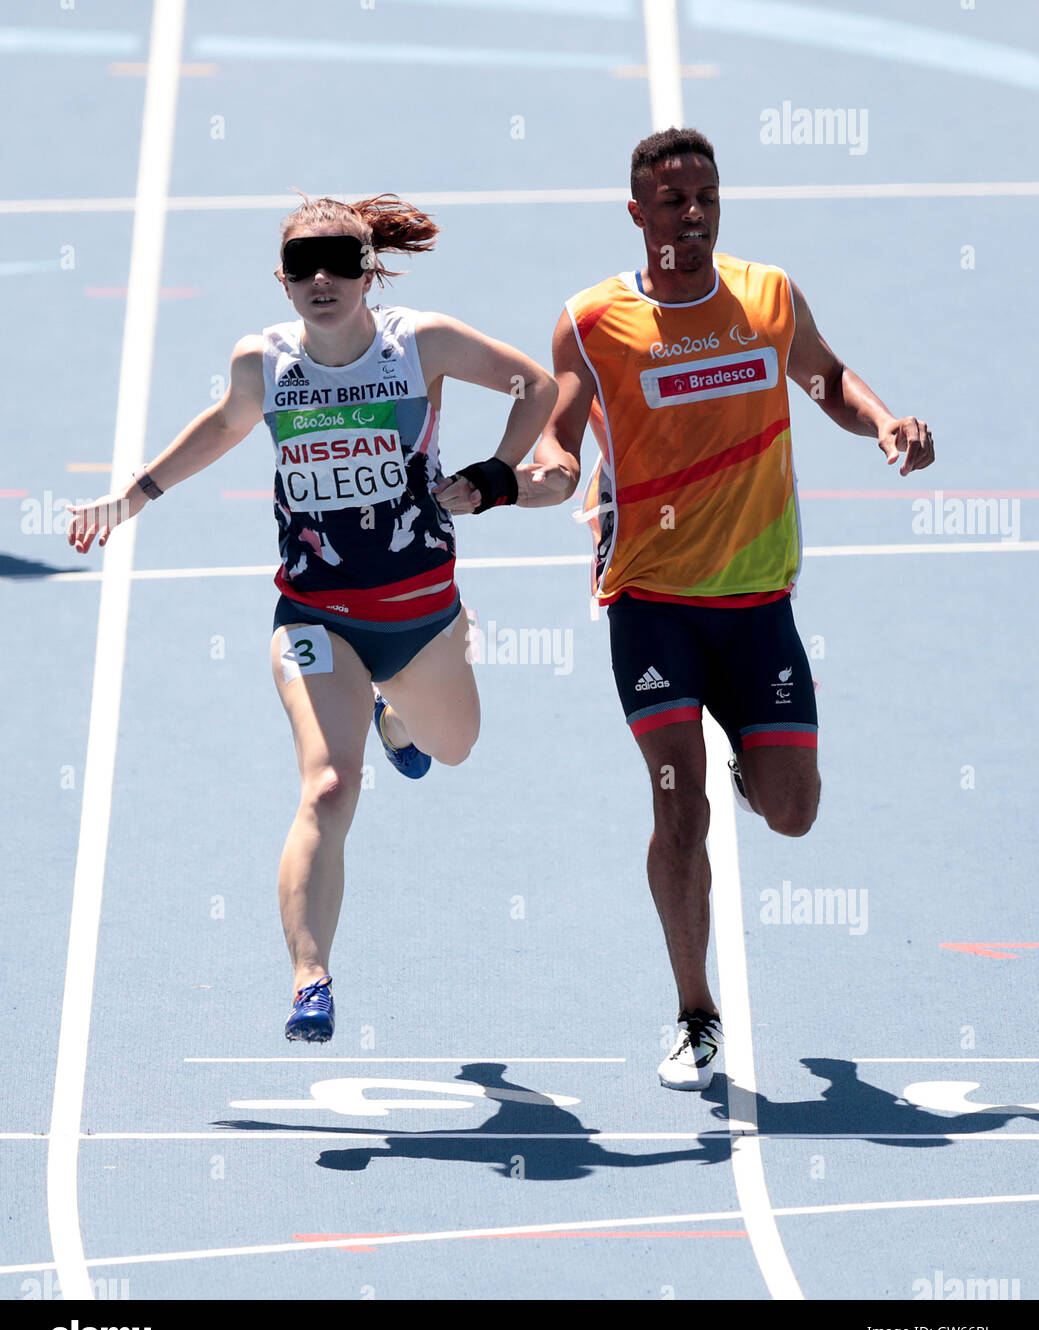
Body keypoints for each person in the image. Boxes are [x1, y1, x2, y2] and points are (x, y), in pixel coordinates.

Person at [66, 194, 557, 1043]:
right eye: (302, 265)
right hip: (313, 614)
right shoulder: (264, 361)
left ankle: (397, 717)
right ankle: (310, 980)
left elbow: (537, 385)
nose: (321, 278)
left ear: (369, 272)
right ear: (283, 282)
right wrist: (131, 496)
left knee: (455, 745)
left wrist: (492, 472)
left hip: (421, 611)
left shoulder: (421, 343)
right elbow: (224, 425)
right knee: (330, 786)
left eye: (338, 261)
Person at [527, 128, 935, 1090]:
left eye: (706, 195)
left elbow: (825, 377)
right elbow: (556, 434)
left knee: (792, 815)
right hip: (653, 605)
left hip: (758, 606)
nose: (695, 214)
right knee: (678, 805)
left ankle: (758, 774)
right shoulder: (593, 321)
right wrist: (540, 471)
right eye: (673, 201)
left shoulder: (767, 297)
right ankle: (694, 1013)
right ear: (637, 214)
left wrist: (884, 421)